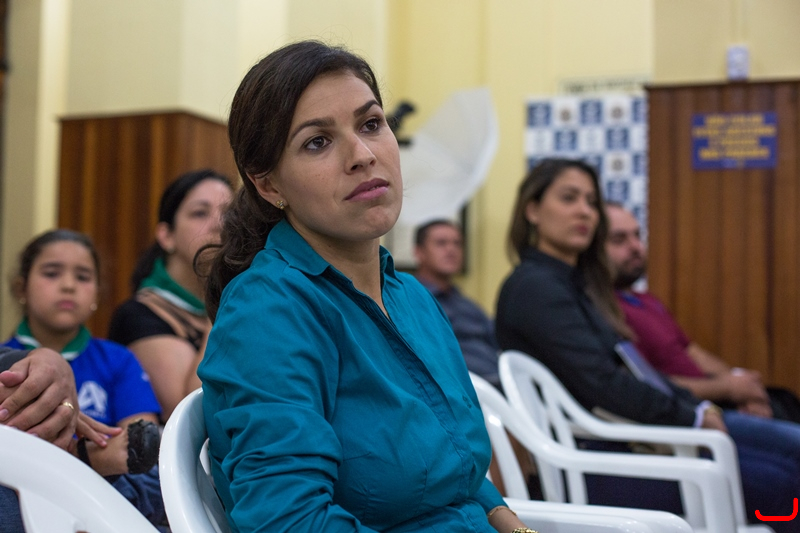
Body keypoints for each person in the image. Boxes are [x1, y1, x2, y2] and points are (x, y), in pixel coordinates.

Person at [197, 40, 533, 533]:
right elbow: (288, 520)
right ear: (269, 185)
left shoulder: (412, 297)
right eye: (318, 142)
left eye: (371, 124)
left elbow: (460, 470)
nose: (362, 154)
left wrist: (516, 526)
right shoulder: (267, 312)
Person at [494, 157, 800, 529]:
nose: (584, 211)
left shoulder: (574, 285)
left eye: (591, 201)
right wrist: (693, 416)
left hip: (628, 439)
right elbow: (604, 384)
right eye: (569, 198)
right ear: (532, 210)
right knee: (783, 483)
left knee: (790, 454)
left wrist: (699, 407)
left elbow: (637, 372)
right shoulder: (535, 287)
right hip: (598, 457)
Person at [2, 229, 166, 528]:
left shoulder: (118, 360)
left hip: (107, 496)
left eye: (83, 277)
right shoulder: (6, 363)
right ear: (21, 288)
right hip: (22, 495)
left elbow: (141, 447)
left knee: (155, 478)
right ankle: (82, 461)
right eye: (52, 273)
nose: (68, 286)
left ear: (96, 294)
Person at [605, 202, 800, 422]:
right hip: (691, 413)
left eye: (637, 236)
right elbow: (646, 383)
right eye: (619, 240)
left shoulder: (647, 300)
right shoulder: (605, 309)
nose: (635, 247)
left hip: (721, 400)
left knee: (786, 401)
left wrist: (742, 388)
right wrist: (728, 389)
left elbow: (693, 352)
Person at [108, 169, 233, 421]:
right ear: (166, 236)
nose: (219, 224)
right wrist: (225, 303)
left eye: (229, 214)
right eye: (200, 213)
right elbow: (187, 417)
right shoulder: (138, 315)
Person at [0, 346, 124, 532]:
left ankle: (68, 459)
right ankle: (74, 461)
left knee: (152, 475)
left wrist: (49, 361)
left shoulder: (116, 356)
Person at [414, 219, 501, 387]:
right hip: (462, 389)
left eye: (457, 243)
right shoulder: (411, 300)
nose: (451, 249)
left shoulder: (466, 304)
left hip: (500, 382)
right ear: (419, 252)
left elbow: (498, 341)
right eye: (441, 243)